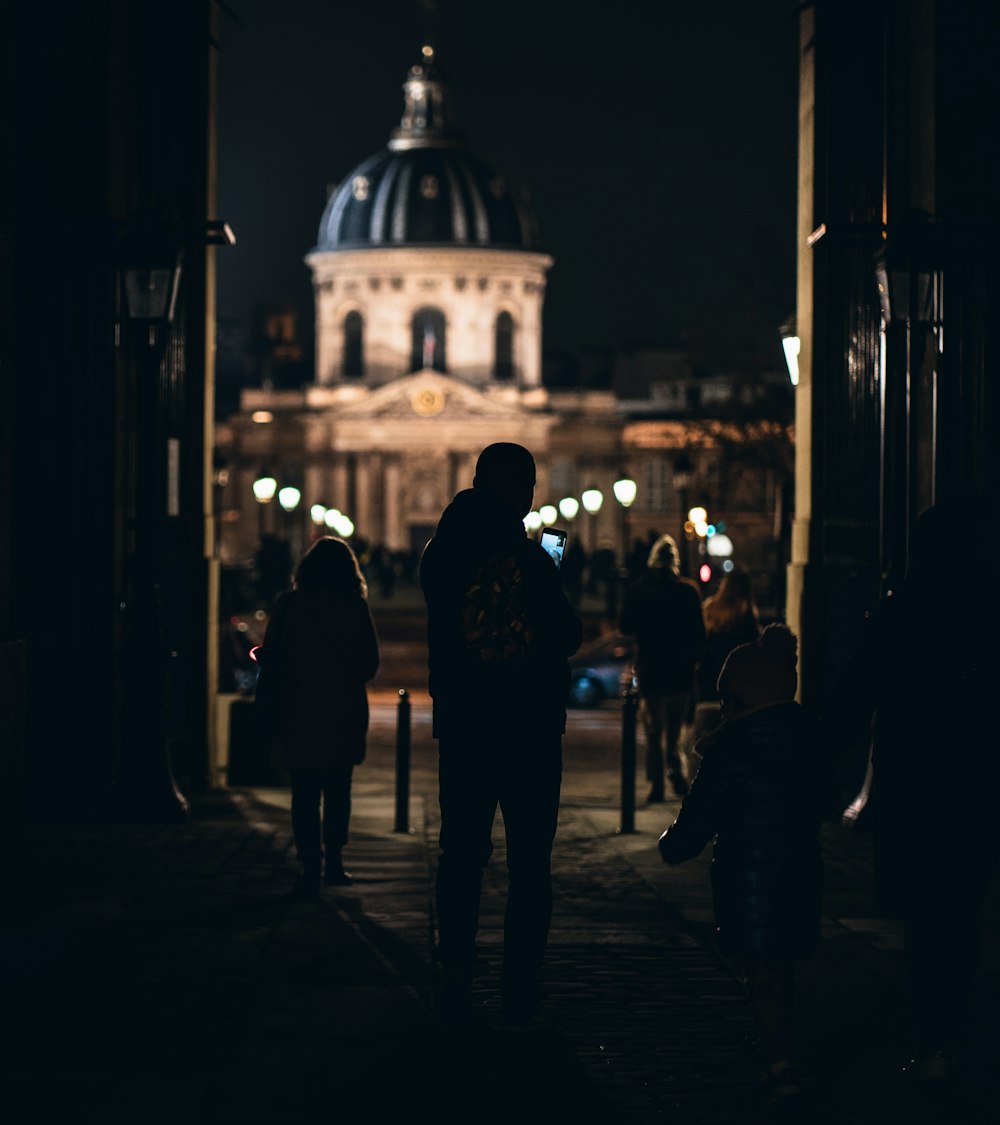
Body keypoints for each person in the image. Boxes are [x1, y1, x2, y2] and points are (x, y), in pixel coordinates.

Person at [419, 442, 583, 1027]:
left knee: (461, 854)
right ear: (522, 492)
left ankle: (456, 967)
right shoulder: (532, 560)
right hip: (529, 728)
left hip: (464, 725)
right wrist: (552, 574)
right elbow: (565, 634)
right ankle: (519, 981)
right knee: (530, 864)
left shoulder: (438, 557)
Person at [835, 502, 996, 1084]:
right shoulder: (986, 614)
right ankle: (951, 1033)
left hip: (913, 787)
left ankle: (934, 1038)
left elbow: (853, 699)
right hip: (974, 786)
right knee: (961, 914)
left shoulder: (899, 616)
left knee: (925, 922)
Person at [658, 624, 837, 1108]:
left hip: (747, 877)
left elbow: (698, 817)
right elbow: (829, 798)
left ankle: (779, 1063)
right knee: (780, 963)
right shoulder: (808, 738)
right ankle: (777, 1044)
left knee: (759, 969)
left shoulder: (730, 749)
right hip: (800, 870)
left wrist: (672, 845)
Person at [259, 536, 379, 898]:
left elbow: (273, 657)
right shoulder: (355, 608)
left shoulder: (289, 604)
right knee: (339, 789)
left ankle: (309, 864)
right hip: (342, 710)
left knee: (304, 793)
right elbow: (369, 664)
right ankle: (335, 862)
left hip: (298, 708)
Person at [620, 533, 706, 800]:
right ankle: (674, 769)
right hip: (680, 672)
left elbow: (625, 626)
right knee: (676, 729)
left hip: (650, 669)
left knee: (653, 730)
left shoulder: (639, 589)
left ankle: (656, 782)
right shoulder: (688, 591)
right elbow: (699, 635)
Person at [692, 567, 761, 742]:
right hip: (735, 686)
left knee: (707, 738)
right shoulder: (745, 615)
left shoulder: (709, 609)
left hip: (708, 682)